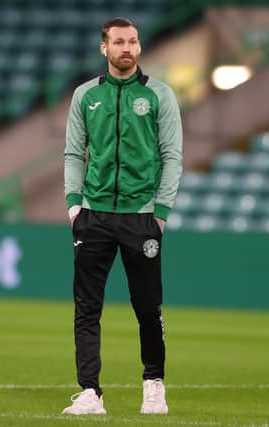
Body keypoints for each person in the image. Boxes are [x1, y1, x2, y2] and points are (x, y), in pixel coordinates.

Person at [62, 17, 183, 415]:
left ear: (140, 47)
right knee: (87, 308)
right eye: (118, 42)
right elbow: (72, 152)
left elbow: (172, 156)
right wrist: (74, 204)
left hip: (141, 218)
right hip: (93, 216)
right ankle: (90, 393)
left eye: (132, 41)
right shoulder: (85, 96)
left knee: (148, 308)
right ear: (104, 48)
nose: (126, 48)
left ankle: (154, 385)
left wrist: (160, 211)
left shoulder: (160, 95)